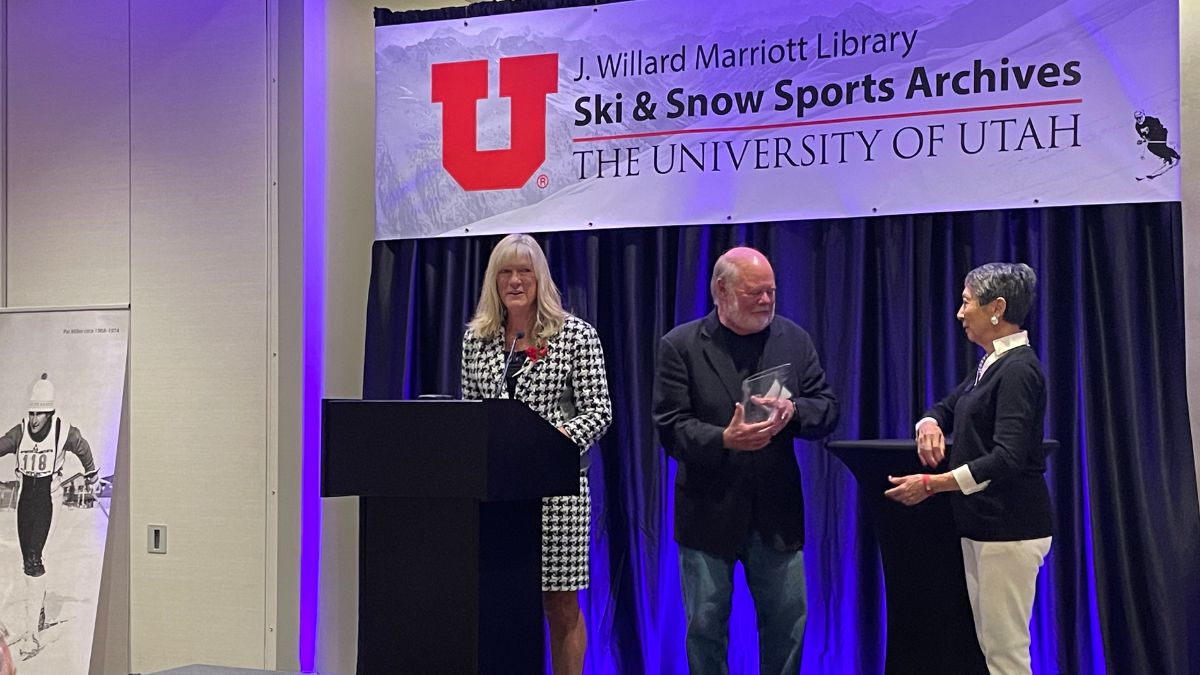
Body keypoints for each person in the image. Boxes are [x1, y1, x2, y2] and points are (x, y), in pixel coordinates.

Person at [652, 247, 839, 675]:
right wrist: (725, 439)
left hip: (777, 514)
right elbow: (670, 427)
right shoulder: (680, 346)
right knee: (705, 628)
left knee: (788, 624)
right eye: (755, 292)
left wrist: (794, 413)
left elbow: (826, 407)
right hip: (707, 513)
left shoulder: (793, 338)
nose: (767, 301)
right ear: (721, 290)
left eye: (772, 292)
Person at [885, 262, 1051, 675]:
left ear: (996, 308)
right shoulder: (990, 364)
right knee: (992, 648)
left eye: (965, 302)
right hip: (983, 526)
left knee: (1006, 653)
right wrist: (928, 424)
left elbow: (1008, 456)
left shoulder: (1019, 370)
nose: (960, 313)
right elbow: (947, 406)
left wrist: (934, 483)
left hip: (1010, 528)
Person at [459, 233, 612, 675]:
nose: (514, 280)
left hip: (556, 495)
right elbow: (470, 413)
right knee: (500, 599)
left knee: (560, 604)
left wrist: (556, 439)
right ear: (493, 281)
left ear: (540, 277)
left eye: (524, 270)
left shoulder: (576, 337)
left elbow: (599, 413)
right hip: (496, 496)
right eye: (505, 271)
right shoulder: (477, 340)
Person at [0, 373, 98, 659]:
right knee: (25, 559)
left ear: (50, 411)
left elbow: (82, 446)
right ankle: (38, 610)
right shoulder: (21, 431)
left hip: (48, 498)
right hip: (25, 498)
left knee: (33, 558)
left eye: (39, 414)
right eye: (31, 412)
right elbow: (4, 443)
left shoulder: (62, 430)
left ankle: (32, 634)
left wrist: (91, 473)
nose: (34, 420)